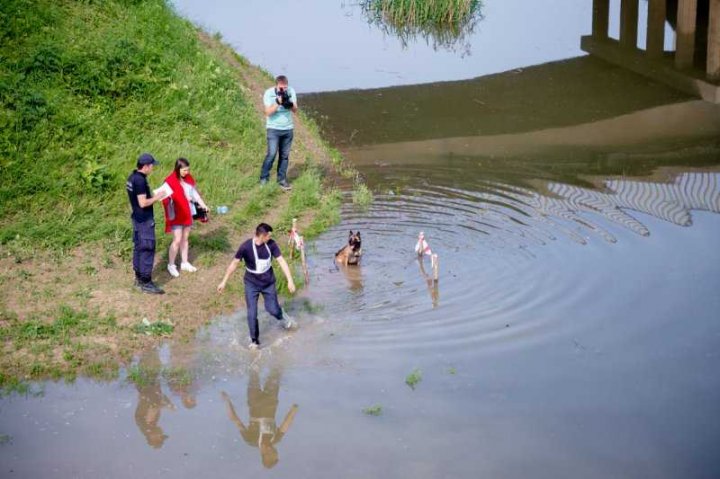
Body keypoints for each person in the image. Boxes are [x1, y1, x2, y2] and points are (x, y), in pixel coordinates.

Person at [217, 223, 297, 349]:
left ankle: (284, 318)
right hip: (251, 284)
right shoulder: (245, 247)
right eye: (268, 236)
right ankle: (255, 341)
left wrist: (290, 280)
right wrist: (223, 281)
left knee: (273, 309)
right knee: (252, 314)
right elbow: (234, 264)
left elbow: (281, 261)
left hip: (268, 283)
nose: (270, 238)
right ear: (262, 236)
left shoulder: (271, 244)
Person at [221, 366, 298, 469]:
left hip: (254, 400)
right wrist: (294, 409)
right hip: (271, 401)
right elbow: (286, 424)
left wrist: (227, 401)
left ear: (264, 454)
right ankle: (278, 354)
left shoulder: (251, 439)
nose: (273, 448)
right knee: (276, 372)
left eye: (272, 451)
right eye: (275, 450)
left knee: (253, 372)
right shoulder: (276, 439)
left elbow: (235, 419)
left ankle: (253, 353)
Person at [160, 158, 209, 278]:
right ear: (178, 169)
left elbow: (195, 195)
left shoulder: (188, 180)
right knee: (177, 239)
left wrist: (203, 205)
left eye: (188, 170)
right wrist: (177, 199)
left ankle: (185, 262)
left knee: (185, 239)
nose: (186, 172)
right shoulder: (170, 181)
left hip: (188, 213)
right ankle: (171, 265)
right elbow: (162, 197)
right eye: (184, 170)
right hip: (177, 214)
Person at [126, 153, 165, 294]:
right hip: (144, 221)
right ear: (146, 166)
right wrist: (157, 197)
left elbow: (134, 202)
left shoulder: (131, 178)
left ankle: (138, 278)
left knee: (138, 247)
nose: (153, 168)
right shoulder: (140, 181)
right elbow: (143, 203)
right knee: (147, 248)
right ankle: (146, 282)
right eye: (152, 166)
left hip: (136, 218)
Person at [260, 75, 298, 191]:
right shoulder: (268, 93)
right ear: (277, 85)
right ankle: (264, 179)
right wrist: (277, 102)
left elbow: (295, 110)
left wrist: (288, 103)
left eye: (285, 87)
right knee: (271, 154)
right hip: (273, 129)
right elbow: (267, 112)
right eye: (281, 88)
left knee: (284, 156)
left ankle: (281, 180)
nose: (283, 90)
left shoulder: (291, 91)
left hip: (287, 128)